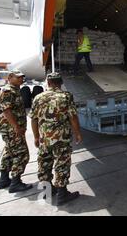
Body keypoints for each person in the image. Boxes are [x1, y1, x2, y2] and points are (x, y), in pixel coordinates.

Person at [29, 72, 83, 205]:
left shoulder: (38, 97)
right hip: (61, 138)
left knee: (44, 163)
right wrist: (77, 133)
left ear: (48, 83)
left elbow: (34, 119)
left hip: (44, 139)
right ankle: (62, 195)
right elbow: (73, 117)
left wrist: (36, 137)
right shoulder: (66, 96)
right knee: (62, 164)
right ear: (61, 83)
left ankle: (46, 193)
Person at [0, 70, 32, 193]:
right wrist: (16, 127)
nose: (21, 79)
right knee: (22, 154)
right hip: (12, 130)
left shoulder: (14, 90)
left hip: (10, 129)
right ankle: (16, 182)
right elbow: (7, 111)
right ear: (10, 77)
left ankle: (4, 179)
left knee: (9, 153)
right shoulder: (8, 91)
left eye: (22, 77)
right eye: (18, 77)